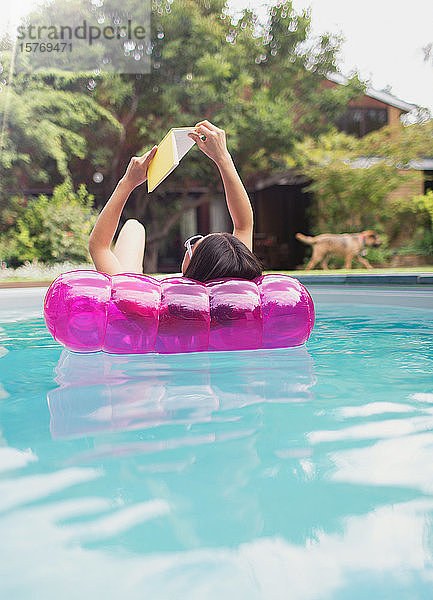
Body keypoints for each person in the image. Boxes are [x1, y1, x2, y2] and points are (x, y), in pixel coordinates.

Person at [88, 120, 262, 282]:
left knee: (133, 228)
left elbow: (99, 246)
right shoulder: (239, 282)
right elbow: (243, 225)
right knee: (133, 227)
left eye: (193, 244)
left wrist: (126, 183)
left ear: (193, 265)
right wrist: (223, 157)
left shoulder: (139, 299)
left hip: (131, 287)